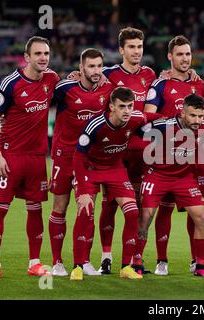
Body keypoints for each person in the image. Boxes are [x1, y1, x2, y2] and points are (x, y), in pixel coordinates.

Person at [0, 36, 59, 278]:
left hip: (37, 158)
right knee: (0, 208)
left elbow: (70, 92)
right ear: (27, 57)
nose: (43, 58)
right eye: (38, 54)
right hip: (11, 156)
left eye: (46, 54)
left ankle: (34, 263)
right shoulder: (11, 83)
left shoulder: (51, 79)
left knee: (35, 208)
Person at [143, 35, 204, 276]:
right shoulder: (160, 85)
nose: (184, 58)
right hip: (165, 157)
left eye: (188, 54)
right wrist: (173, 123)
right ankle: (162, 260)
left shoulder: (200, 85)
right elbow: (148, 115)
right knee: (165, 209)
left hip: (193, 158)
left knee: (196, 210)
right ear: (170, 56)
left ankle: (197, 261)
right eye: (179, 54)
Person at [134, 94, 204, 278]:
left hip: (183, 178)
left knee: (202, 218)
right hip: (157, 176)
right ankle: (136, 261)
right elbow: (137, 130)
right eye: (193, 116)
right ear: (182, 113)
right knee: (145, 218)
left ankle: (201, 265)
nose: (197, 120)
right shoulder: (163, 126)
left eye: (200, 116)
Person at [48, 48, 114, 277]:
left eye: (99, 66)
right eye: (91, 66)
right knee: (59, 208)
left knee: (87, 208)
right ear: (81, 68)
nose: (96, 71)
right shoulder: (65, 89)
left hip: (87, 159)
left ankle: (83, 261)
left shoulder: (108, 89)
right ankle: (57, 262)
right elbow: (39, 99)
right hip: (62, 157)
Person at [70, 87, 147, 281]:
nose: (127, 111)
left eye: (130, 106)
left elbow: (152, 117)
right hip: (90, 170)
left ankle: (125, 267)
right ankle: (78, 266)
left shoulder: (136, 118)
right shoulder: (96, 124)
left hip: (116, 170)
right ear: (111, 106)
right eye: (122, 107)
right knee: (85, 210)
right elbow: (79, 156)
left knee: (132, 212)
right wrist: (83, 189)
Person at [97, 27, 157, 275]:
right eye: (131, 47)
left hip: (143, 151)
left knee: (142, 205)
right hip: (116, 150)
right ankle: (106, 256)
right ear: (121, 50)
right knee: (109, 205)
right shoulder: (109, 75)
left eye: (140, 47)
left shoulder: (150, 74)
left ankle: (135, 258)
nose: (136, 52)